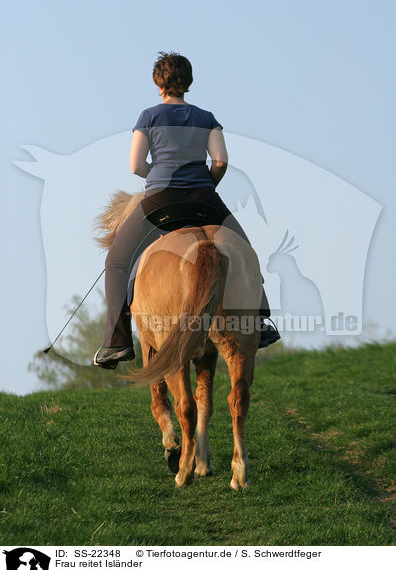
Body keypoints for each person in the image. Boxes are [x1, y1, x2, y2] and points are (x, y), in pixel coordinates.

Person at [94, 52, 280, 368]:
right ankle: (260, 323)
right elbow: (220, 161)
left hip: (160, 199)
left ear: (158, 82)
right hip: (203, 197)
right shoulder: (206, 117)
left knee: (116, 261)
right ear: (188, 83)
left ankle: (117, 343)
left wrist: (157, 174)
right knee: (245, 251)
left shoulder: (148, 117)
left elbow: (135, 165)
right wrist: (204, 184)